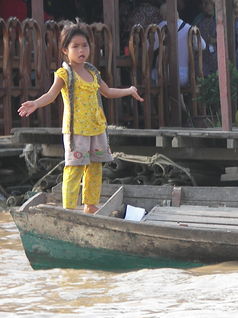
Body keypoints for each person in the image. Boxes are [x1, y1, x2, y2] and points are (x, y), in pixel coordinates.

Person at [17, 21, 144, 214]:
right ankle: (69, 208)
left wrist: (129, 90)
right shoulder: (64, 74)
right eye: (75, 46)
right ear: (65, 51)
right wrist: (35, 103)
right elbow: (51, 95)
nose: (81, 49)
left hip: (96, 127)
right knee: (74, 168)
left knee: (95, 167)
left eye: (84, 45)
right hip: (76, 130)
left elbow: (108, 92)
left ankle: (90, 205)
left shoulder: (92, 72)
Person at [157, 3, 206, 87]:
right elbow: (202, 46)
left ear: (164, 16)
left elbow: (148, 47)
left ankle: (158, 99)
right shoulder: (189, 28)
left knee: (153, 73)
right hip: (188, 75)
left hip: (168, 74)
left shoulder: (162, 26)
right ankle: (179, 100)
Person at [191, 0, 217, 77]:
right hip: (201, 55)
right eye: (202, 3)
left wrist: (216, 40)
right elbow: (191, 34)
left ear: (213, 4)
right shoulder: (198, 19)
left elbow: (228, 38)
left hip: (215, 55)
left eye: (206, 3)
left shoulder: (219, 19)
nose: (203, 6)